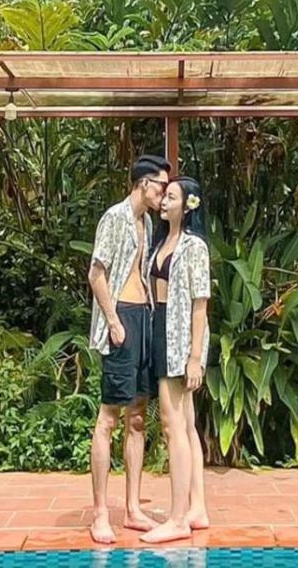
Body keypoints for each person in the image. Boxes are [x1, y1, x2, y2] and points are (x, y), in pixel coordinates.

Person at [87, 153, 171, 545]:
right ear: (143, 183)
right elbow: (96, 273)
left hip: (143, 314)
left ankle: (133, 508)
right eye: (161, 187)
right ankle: (100, 514)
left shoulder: (147, 222)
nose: (164, 194)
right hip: (120, 315)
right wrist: (113, 321)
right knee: (109, 417)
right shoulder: (114, 217)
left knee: (137, 417)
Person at [140, 176, 211, 544]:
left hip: (179, 335)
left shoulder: (194, 246)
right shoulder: (161, 240)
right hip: (160, 327)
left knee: (172, 426)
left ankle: (178, 517)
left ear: (188, 205)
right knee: (186, 423)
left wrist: (194, 356)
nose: (164, 202)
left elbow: (200, 303)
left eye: (171, 197)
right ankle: (197, 507)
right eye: (164, 196)